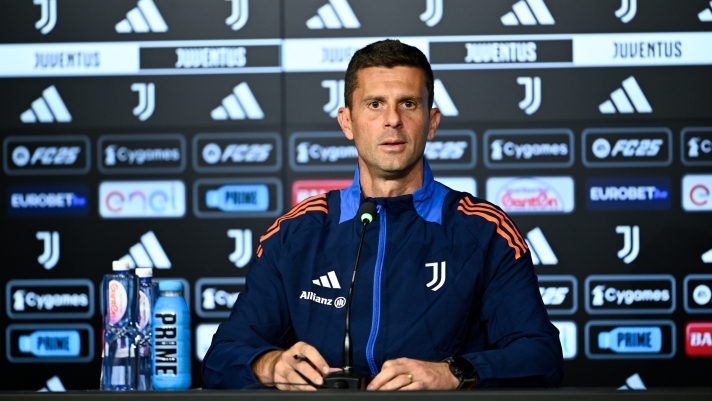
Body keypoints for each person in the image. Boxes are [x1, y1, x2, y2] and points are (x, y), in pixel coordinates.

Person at [202, 39, 563, 391]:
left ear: (432, 121)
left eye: (408, 103)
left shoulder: (484, 231)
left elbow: (541, 356)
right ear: (347, 122)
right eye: (374, 104)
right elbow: (222, 357)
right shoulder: (296, 233)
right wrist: (271, 367)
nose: (393, 120)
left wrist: (453, 372)